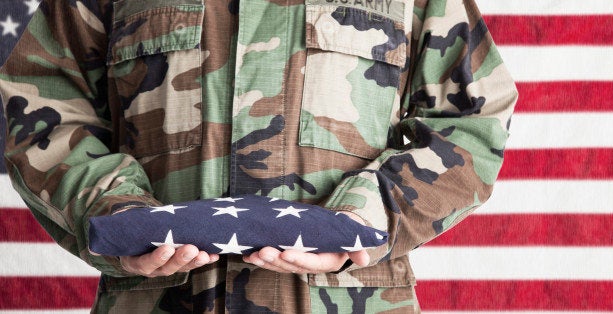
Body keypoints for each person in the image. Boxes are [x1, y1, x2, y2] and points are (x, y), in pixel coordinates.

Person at [0, 0, 517, 312]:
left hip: (350, 302)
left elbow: (472, 119)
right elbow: (43, 106)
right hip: (156, 300)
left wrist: (364, 218)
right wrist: (119, 216)